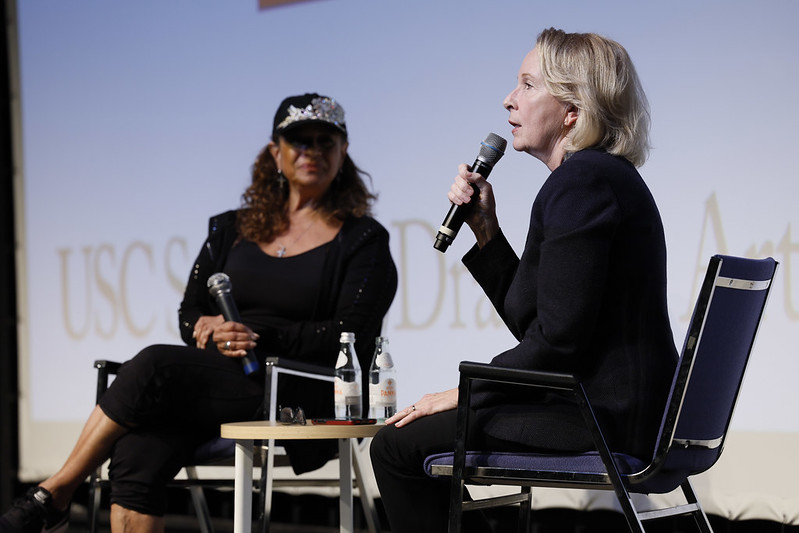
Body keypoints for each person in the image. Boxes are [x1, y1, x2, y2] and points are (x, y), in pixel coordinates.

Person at [1, 93, 397, 533]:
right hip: (217, 382)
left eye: (326, 141)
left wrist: (259, 336)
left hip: (296, 390)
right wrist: (205, 328)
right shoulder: (230, 228)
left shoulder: (364, 240)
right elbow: (189, 311)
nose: (313, 152)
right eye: (299, 141)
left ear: (343, 153)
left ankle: (54, 492)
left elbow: (353, 335)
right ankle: (55, 497)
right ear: (275, 153)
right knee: (135, 455)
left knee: (153, 364)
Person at [370, 28, 678, 532]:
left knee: (396, 444)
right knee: (412, 438)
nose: (509, 100)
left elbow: (557, 342)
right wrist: (487, 230)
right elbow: (539, 322)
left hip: (606, 418)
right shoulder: (593, 178)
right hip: (619, 410)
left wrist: (464, 391)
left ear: (573, 110)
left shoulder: (582, 183)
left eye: (528, 85)